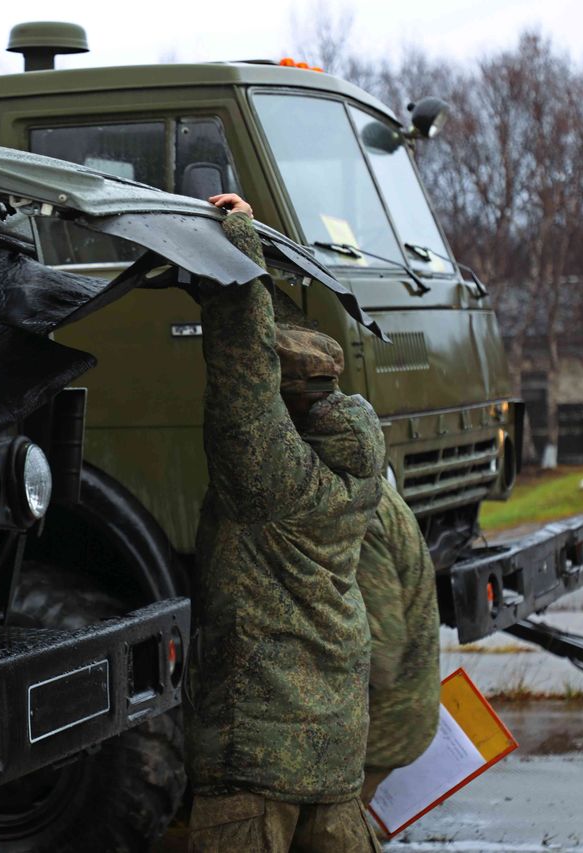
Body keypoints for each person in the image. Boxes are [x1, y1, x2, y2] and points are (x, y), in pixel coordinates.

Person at [186, 193, 385, 853]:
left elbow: (245, 360)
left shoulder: (276, 483)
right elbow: (287, 355)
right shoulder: (355, 473)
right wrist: (252, 255)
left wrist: (237, 240)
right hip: (333, 757)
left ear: (285, 403)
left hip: (258, 755)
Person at [357, 481, 441, 808]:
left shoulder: (358, 514)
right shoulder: (372, 487)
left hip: (380, 723)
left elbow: (380, 654)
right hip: (396, 714)